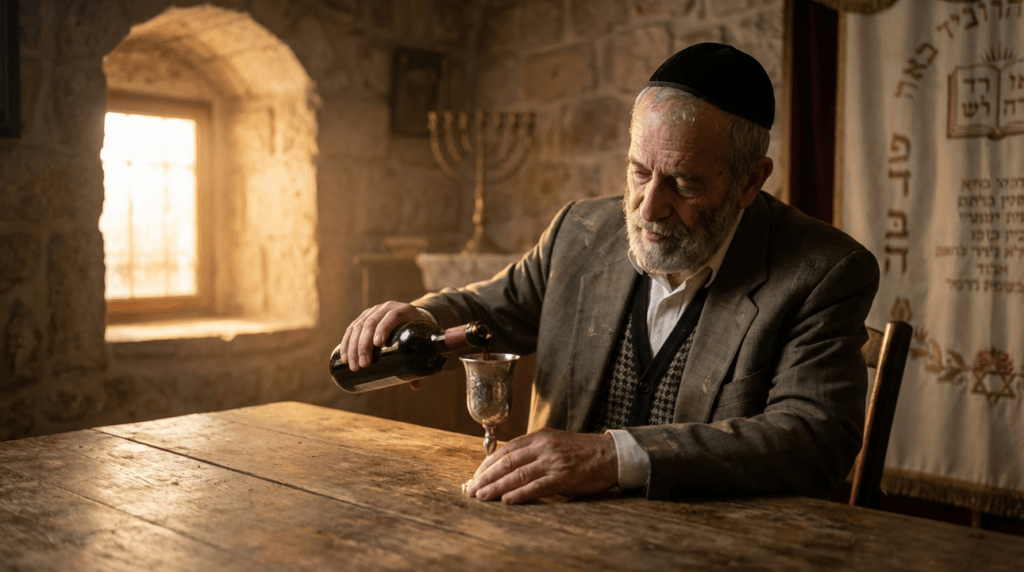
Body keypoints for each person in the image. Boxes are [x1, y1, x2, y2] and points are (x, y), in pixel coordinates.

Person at [337, 43, 879, 504]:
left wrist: (613, 456)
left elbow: (814, 441)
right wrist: (422, 315)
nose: (648, 208)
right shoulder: (579, 230)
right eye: (639, 172)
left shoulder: (823, 271)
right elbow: (487, 311)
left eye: (684, 184)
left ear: (750, 181)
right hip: (551, 534)